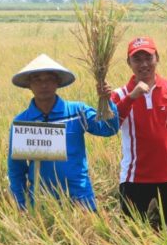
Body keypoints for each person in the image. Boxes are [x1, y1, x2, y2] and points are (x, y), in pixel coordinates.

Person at [109, 37, 167, 243]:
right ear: (129, 63)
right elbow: (109, 127)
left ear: (157, 58)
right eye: (137, 59)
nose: (144, 64)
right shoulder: (119, 94)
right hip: (134, 178)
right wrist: (132, 97)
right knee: (133, 241)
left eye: (148, 57)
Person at [7, 54, 118, 210]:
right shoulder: (22, 122)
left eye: (49, 79)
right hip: (40, 205)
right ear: (29, 85)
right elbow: (16, 170)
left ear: (57, 82)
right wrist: (20, 205)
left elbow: (109, 129)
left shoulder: (77, 112)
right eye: (37, 80)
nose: (43, 84)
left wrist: (107, 101)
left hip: (81, 200)